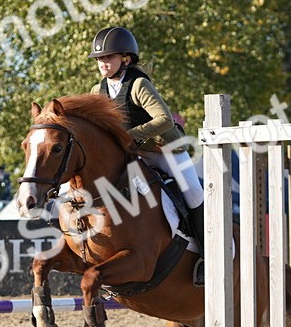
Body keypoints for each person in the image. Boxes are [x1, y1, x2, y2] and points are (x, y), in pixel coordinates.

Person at [88, 26, 206, 282]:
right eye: (99, 58)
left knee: (194, 194)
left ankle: (207, 256)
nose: (102, 63)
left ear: (126, 59)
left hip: (165, 149)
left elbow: (164, 119)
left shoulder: (138, 84)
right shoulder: (98, 91)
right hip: (133, 154)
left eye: (108, 57)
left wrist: (130, 136)